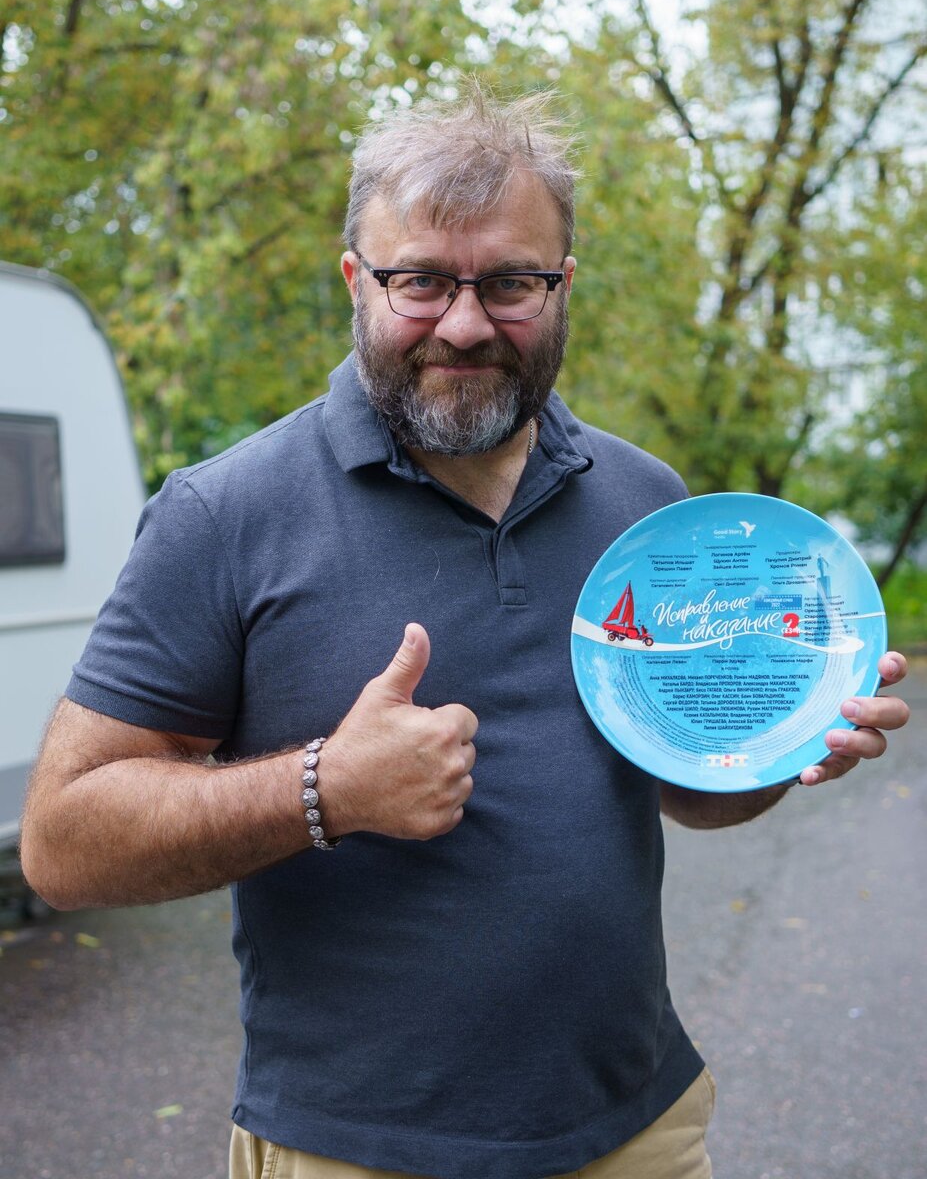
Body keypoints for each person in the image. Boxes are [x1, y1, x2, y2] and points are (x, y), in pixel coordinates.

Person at [21, 88, 909, 1179]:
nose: (465, 323)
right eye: (421, 280)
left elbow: (693, 793)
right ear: (356, 280)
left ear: (562, 284)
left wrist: (788, 735)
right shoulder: (226, 514)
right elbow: (61, 844)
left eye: (509, 282)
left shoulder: (647, 508)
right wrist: (324, 788)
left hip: (638, 1129)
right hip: (354, 1150)